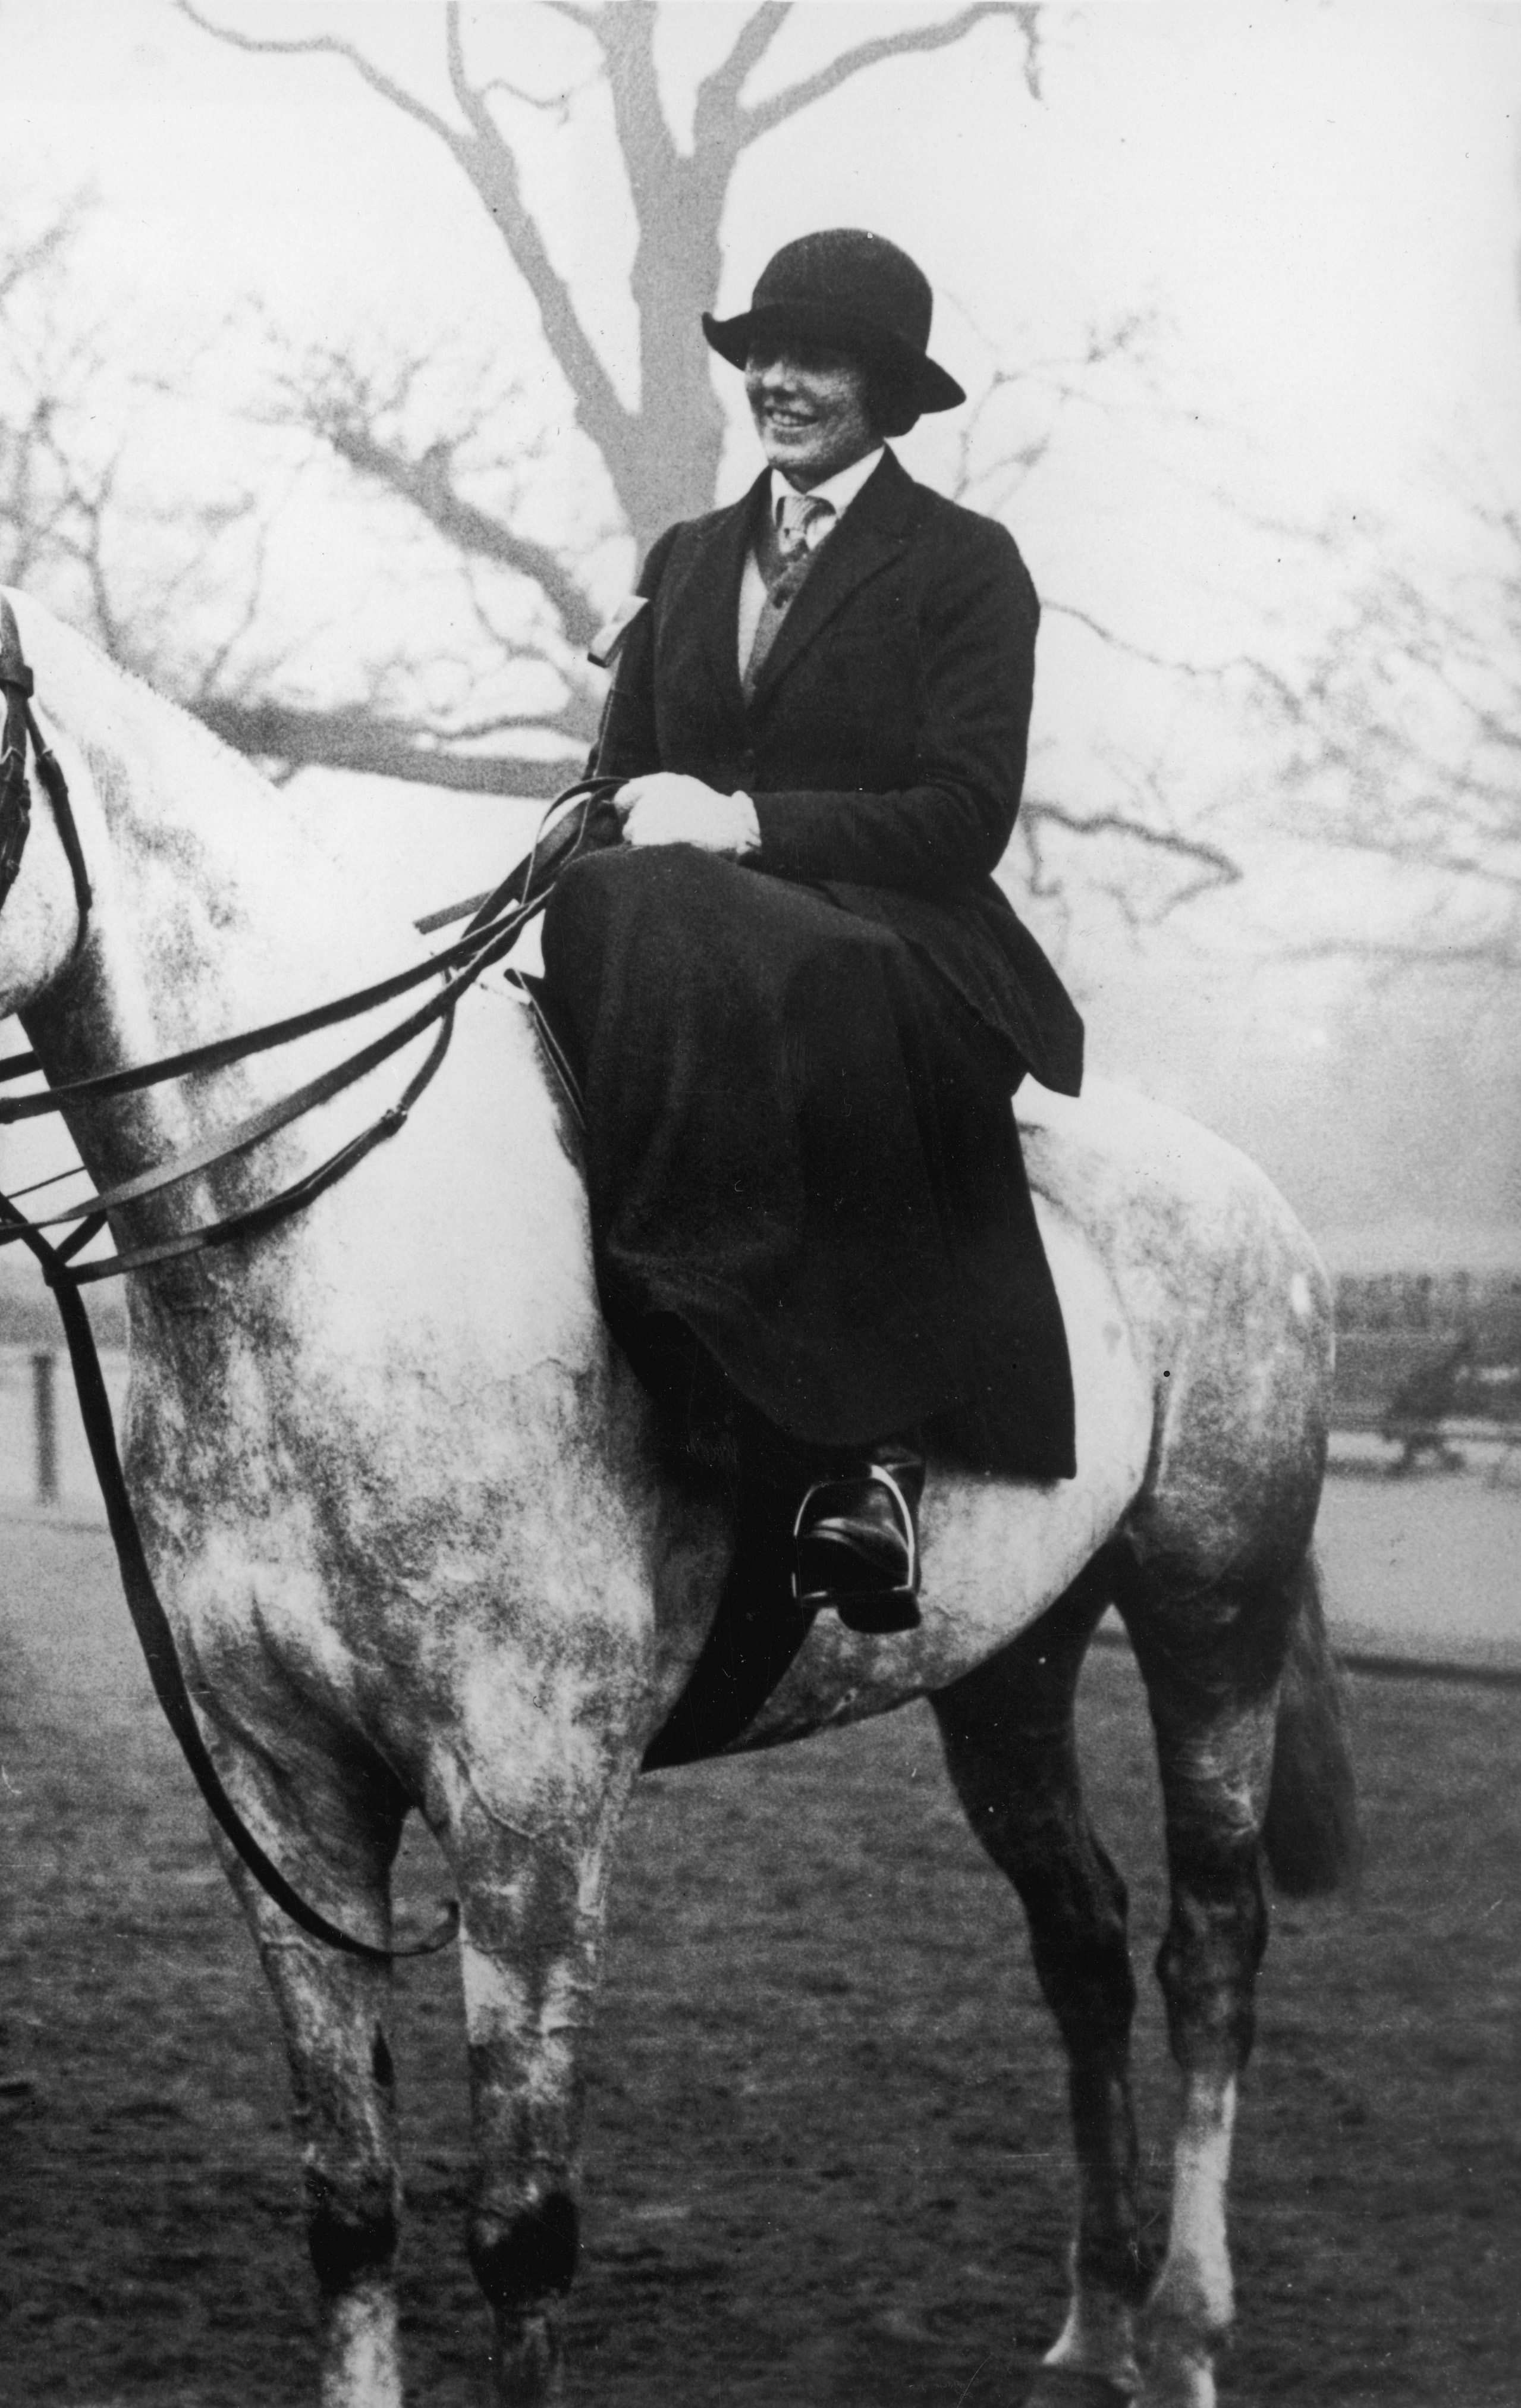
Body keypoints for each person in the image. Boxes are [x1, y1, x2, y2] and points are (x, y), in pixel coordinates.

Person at [540, 229, 1085, 1635]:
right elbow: (626, 780)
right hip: (698, 934)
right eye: (762, 354)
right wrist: (586, 832)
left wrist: (749, 824)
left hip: (899, 934)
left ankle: (867, 1466)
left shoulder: (967, 567)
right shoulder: (690, 556)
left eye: (816, 359)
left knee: (804, 970)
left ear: (886, 390)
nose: (777, 381)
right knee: (598, 911)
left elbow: (962, 814)